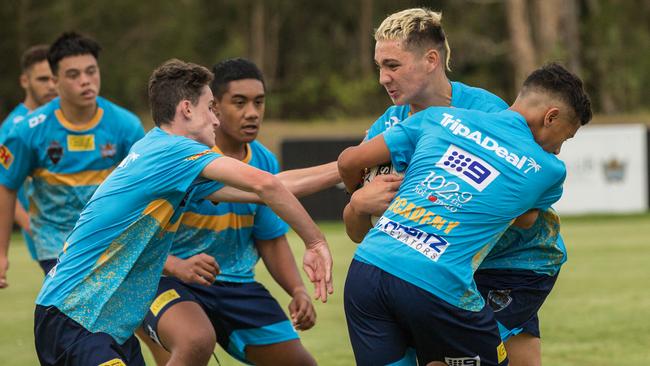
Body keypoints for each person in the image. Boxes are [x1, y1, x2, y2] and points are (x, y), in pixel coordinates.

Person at [33, 59, 333, 366]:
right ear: (187, 109)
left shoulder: (167, 157)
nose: (216, 120)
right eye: (210, 108)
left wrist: (346, 166)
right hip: (74, 316)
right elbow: (265, 185)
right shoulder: (172, 151)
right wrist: (315, 242)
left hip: (105, 326)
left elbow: (272, 187)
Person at [342, 8, 570, 365]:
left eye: (393, 65)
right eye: (380, 67)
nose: (383, 78)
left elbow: (525, 214)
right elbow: (357, 233)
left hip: (507, 267)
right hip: (426, 271)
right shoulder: (384, 129)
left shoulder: (489, 113)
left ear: (431, 60)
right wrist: (358, 205)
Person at [139, 58, 323, 366]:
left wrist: (297, 290)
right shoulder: (180, 155)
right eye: (239, 102)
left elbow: (271, 239)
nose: (252, 112)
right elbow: (135, 237)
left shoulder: (264, 161)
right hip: (169, 279)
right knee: (193, 341)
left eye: (259, 102)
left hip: (237, 287)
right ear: (213, 108)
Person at [0, 32, 144, 287]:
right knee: (77, 310)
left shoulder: (126, 126)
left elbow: (146, 186)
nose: (86, 81)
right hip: (55, 244)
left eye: (91, 71)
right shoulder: (28, 131)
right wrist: (1, 254)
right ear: (56, 81)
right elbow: (6, 185)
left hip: (111, 238)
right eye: (74, 75)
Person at [0, 44, 57, 263]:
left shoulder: (60, 118)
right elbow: (4, 184)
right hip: (45, 232)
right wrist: (30, 227)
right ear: (25, 81)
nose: (51, 86)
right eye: (43, 79)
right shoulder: (13, 129)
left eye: (54, 78)